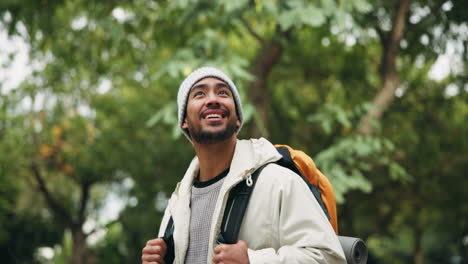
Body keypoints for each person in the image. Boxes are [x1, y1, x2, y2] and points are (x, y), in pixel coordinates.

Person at [142, 67, 346, 264]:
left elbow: (330, 258)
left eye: (222, 92)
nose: (213, 99)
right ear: (184, 120)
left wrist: (253, 260)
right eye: (199, 94)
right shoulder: (176, 205)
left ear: (238, 118)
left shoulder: (279, 181)